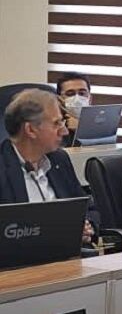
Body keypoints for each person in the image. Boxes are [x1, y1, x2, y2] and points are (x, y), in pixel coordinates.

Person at [0, 89, 97, 244]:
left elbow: (88, 208)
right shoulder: (3, 168)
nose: (64, 131)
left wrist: (85, 226)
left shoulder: (59, 160)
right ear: (31, 130)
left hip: (69, 255)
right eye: (56, 123)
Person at [55, 72, 92, 147]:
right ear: (59, 99)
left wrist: (81, 131)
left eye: (82, 93)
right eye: (70, 94)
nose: (77, 99)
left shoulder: (100, 122)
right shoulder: (52, 124)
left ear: (90, 99)